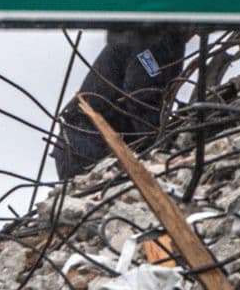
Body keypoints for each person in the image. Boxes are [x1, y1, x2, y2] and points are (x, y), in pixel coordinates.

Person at [52, 27, 189, 181]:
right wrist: (159, 145)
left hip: (98, 138)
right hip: (87, 142)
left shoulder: (171, 41)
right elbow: (141, 96)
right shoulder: (153, 38)